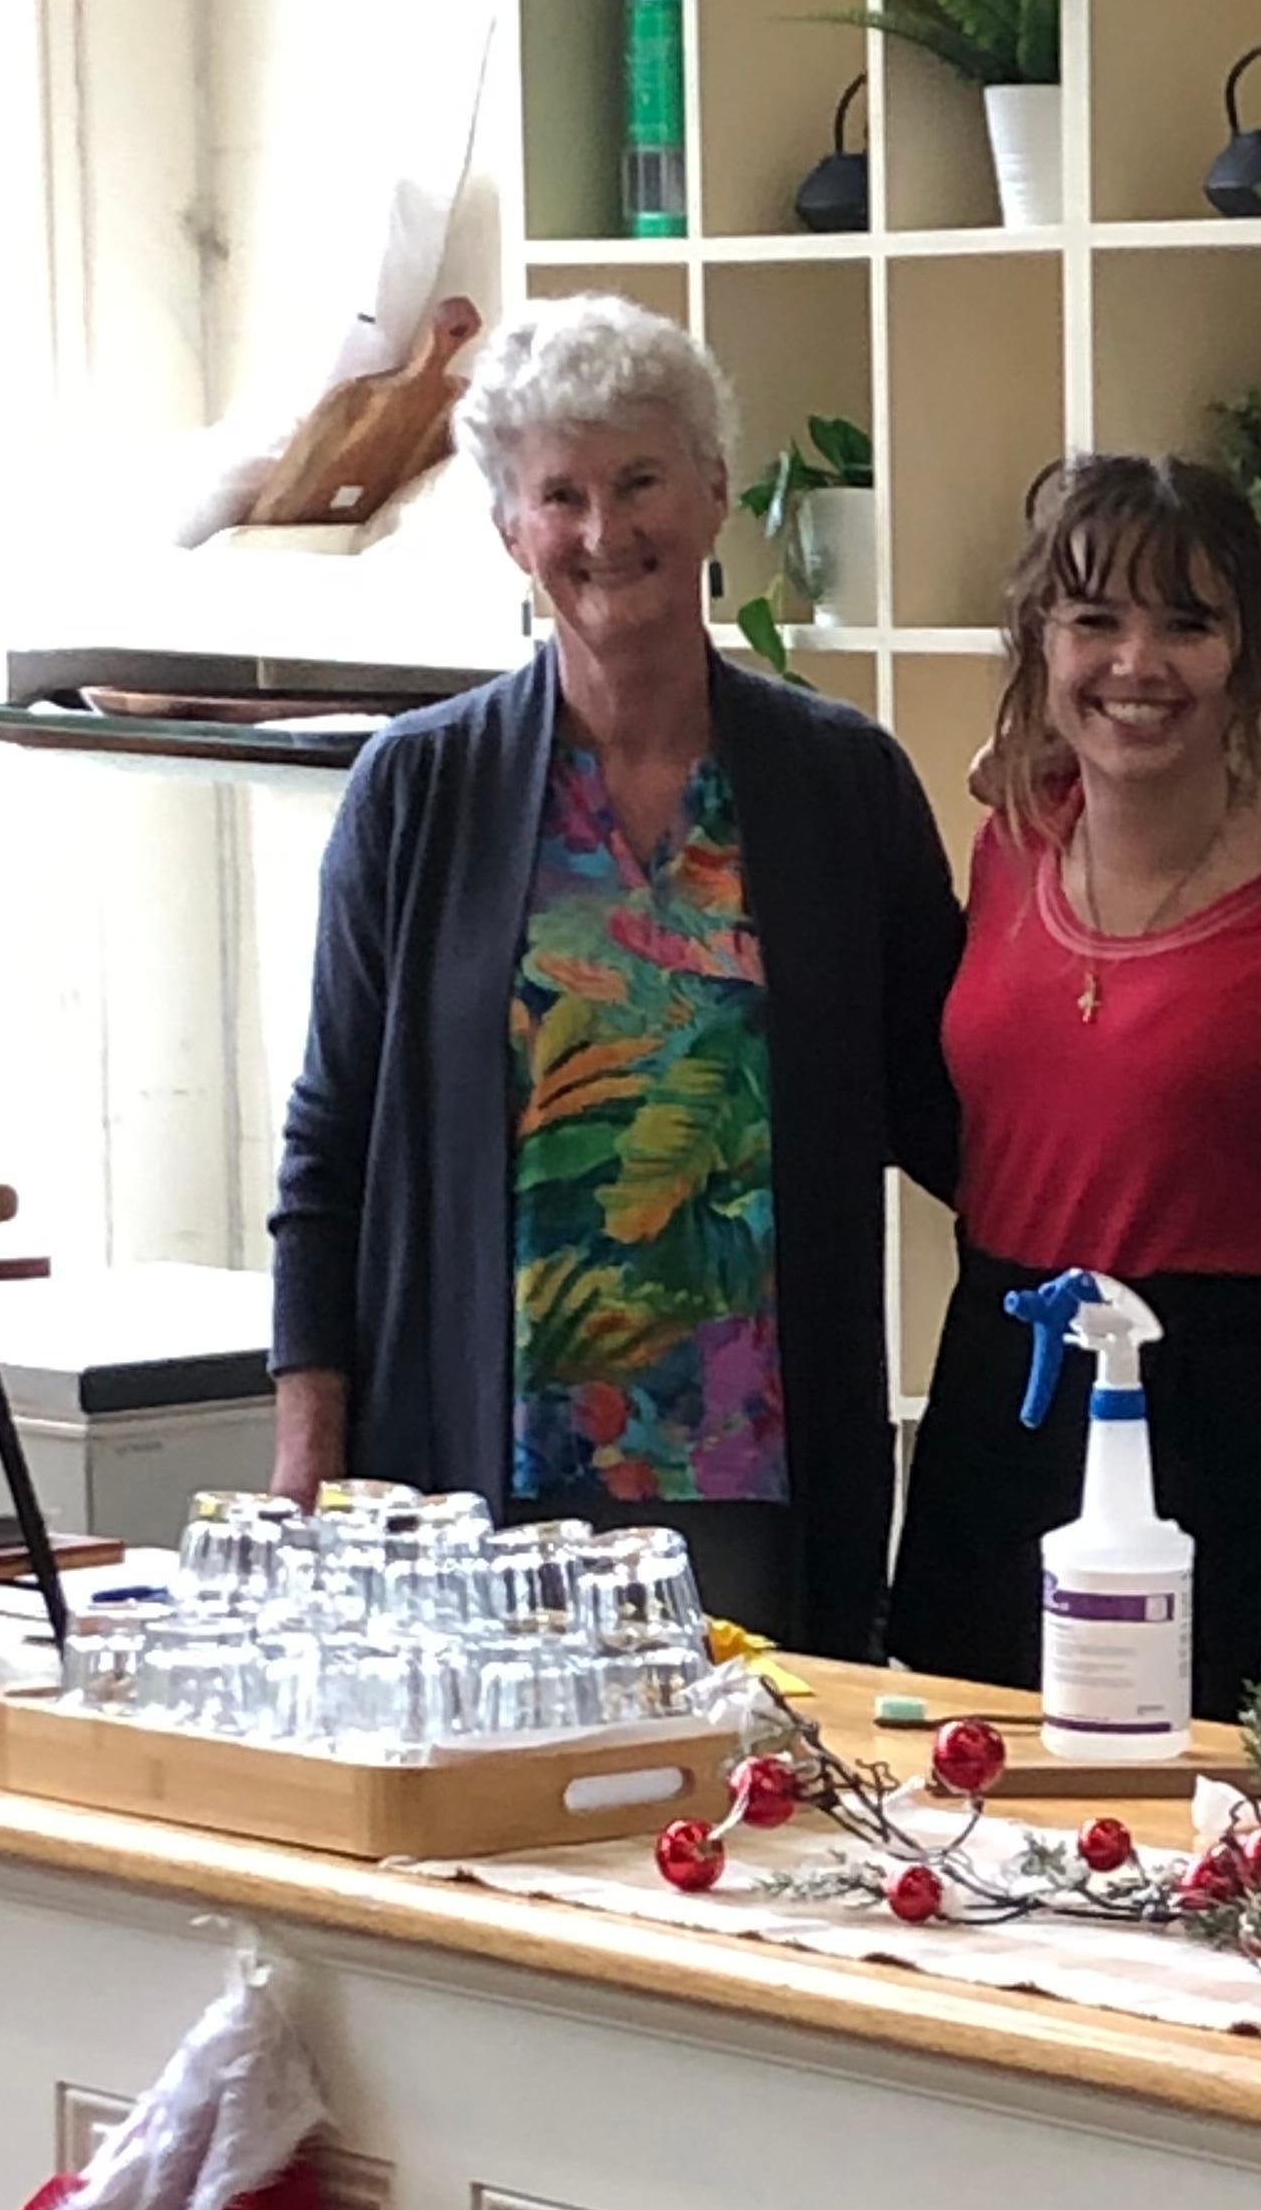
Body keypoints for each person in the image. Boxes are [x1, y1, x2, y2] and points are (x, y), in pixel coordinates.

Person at [268, 293, 962, 1658]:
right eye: (561, 496)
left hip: (754, 1469)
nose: (604, 532)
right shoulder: (417, 792)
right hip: (474, 1477)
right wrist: (308, 1448)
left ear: (711, 493)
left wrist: (1210, 1232)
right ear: (509, 530)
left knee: (758, 1784)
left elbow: (958, 1102)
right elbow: (328, 1143)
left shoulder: (843, 786)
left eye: (640, 481)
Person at [886, 454, 1261, 1715]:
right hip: (1002, 1403)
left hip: (1228, 1436)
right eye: (1095, 619)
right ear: (1040, 638)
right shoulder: (1011, 842)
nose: (1138, 663)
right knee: (970, 1794)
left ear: (1248, 652)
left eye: (1188, 622)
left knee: (1229, 1811)